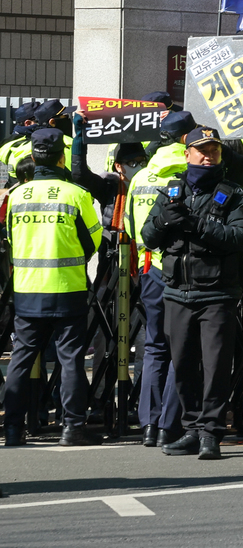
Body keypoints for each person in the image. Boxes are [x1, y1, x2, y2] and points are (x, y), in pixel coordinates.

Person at [140, 127, 243, 460]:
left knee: (217, 366)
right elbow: (148, 237)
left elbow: (239, 236)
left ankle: (211, 433)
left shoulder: (234, 194)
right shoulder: (171, 191)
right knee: (184, 364)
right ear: (187, 153)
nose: (208, 156)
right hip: (177, 292)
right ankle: (191, 429)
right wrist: (164, 221)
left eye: (214, 150)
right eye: (202, 150)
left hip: (217, 293)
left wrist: (196, 225)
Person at [3, 129, 101, 446]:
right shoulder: (76, 194)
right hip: (68, 288)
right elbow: (93, 242)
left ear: (32, 157)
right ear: (62, 157)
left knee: (21, 358)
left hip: (28, 290)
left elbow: (10, 240)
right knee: (70, 359)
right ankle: (72, 428)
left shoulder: (17, 195)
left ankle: (14, 430)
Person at [126, 111, 201, 449]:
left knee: (155, 347)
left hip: (148, 267)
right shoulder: (188, 173)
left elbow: (130, 228)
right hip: (180, 268)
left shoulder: (141, 176)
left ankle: (149, 424)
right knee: (181, 349)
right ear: (186, 139)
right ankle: (170, 425)